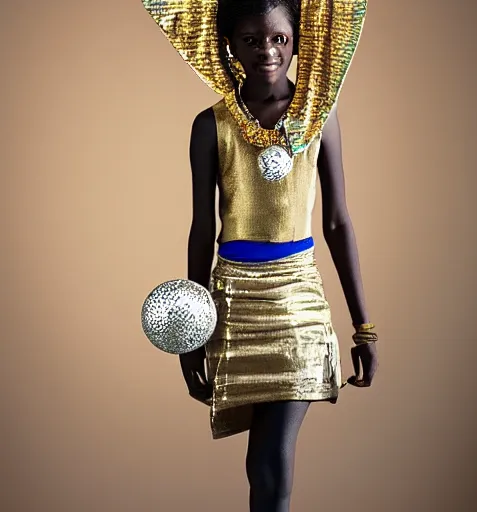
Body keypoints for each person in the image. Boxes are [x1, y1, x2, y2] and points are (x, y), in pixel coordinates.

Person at [142, 1, 378, 510]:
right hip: (234, 303)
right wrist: (193, 328)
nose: (267, 51)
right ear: (230, 45)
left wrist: (364, 328)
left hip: (298, 304)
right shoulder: (211, 125)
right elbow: (203, 229)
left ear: (297, 40)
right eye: (251, 40)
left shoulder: (321, 115)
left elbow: (337, 221)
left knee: (271, 459)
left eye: (279, 39)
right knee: (257, 467)